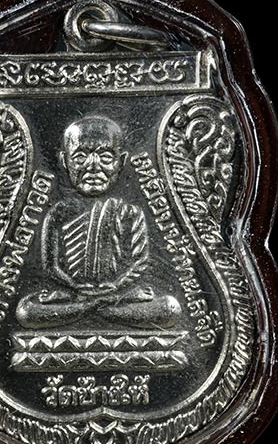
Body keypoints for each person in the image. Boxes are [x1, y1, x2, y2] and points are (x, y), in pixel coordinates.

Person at [16, 116, 181, 329]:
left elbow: (139, 262)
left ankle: (94, 308)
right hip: (73, 295)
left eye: (105, 157)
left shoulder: (130, 212)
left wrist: (116, 286)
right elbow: (51, 266)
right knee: (26, 312)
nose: (93, 166)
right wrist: (75, 286)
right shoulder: (59, 212)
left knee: (169, 308)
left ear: (121, 162)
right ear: (64, 161)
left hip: (119, 295)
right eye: (80, 157)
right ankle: (100, 308)